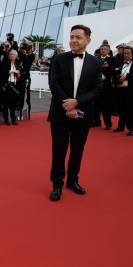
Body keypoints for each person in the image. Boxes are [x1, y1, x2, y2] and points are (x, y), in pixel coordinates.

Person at [48, 24, 102, 201]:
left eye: (78, 37)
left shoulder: (96, 63)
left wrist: (77, 102)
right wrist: (69, 105)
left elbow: (96, 89)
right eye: (72, 37)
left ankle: (73, 181)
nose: (73, 40)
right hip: (60, 112)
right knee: (59, 150)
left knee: (77, 149)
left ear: (88, 40)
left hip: (84, 113)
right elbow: (54, 84)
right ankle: (57, 184)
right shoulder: (59, 59)